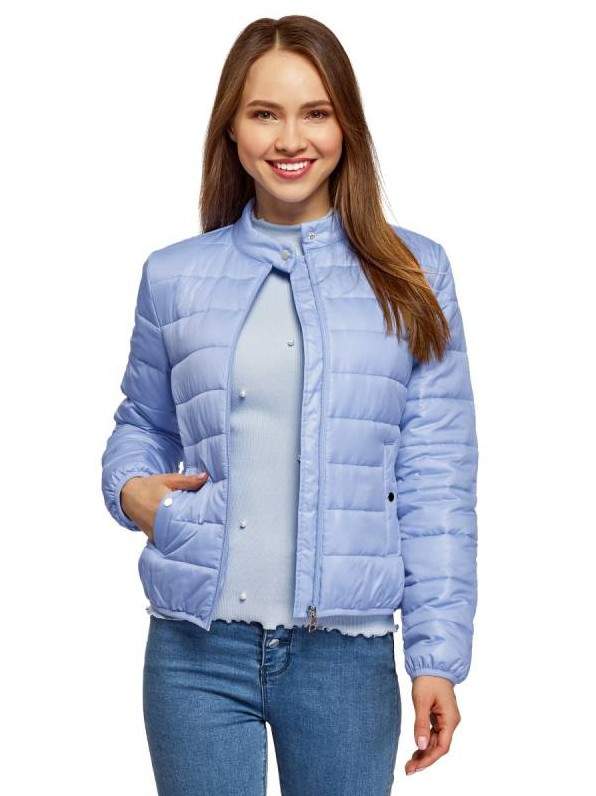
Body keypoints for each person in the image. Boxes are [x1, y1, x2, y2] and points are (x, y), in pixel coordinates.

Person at [101, 14, 478, 795]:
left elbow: (437, 476)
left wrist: (436, 657)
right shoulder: (174, 275)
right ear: (232, 130)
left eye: (315, 113)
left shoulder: (414, 274)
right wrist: (131, 490)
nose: (290, 138)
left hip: (345, 656)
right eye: (264, 113)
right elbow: (142, 421)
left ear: (347, 126)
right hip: (195, 653)